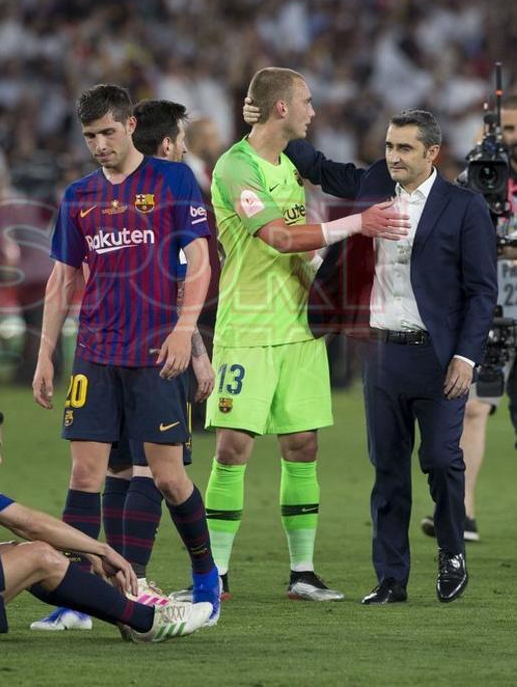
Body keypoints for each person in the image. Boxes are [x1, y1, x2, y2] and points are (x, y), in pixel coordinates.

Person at [170, 67, 410, 604]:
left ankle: (302, 573)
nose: (313, 110)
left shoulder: (286, 165)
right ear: (282, 108)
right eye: (306, 100)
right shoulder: (238, 166)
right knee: (232, 449)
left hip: (300, 326)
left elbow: (302, 242)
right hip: (249, 328)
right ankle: (216, 575)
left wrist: (336, 281)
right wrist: (357, 224)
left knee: (303, 446)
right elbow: (278, 236)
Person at [251, 104, 497, 604]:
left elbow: (481, 292)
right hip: (381, 356)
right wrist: (269, 120)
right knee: (386, 469)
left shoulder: (464, 207)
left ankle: (452, 553)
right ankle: (391, 578)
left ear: (433, 152)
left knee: (441, 460)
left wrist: (466, 359)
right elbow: (319, 168)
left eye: (405, 147)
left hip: (439, 358)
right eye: (389, 146)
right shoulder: (372, 185)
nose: (393, 156)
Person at [30, 84, 221, 630]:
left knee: (166, 477)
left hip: (157, 352)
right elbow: (62, 278)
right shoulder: (79, 195)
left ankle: (205, 575)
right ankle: (77, 599)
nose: (100, 145)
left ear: (131, 126)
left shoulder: (172, 179)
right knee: (85, 473)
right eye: (91, 136)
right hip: (95, 352)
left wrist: (186, 333)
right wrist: (46, 355)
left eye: (108, 132)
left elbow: (199, 259)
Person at [0, 399, 212, 644]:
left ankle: (123, 616)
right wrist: (99, 548)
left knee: (13, 551)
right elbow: (26, 521)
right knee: (38, 556)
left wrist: (84, 550)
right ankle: (148, 622)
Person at [421, 92, 517, 543]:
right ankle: (463, 513)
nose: (506, 140)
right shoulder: (470, 179)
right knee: (475, 408)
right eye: (501, 130)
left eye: (514, 130)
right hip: (487, 314)